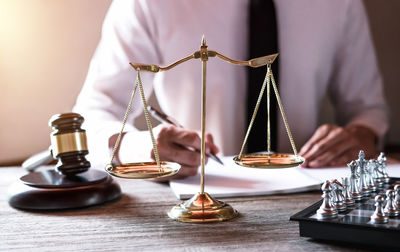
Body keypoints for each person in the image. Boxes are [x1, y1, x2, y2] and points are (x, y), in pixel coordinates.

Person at [73, 0, 388, 180]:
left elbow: (368, 109)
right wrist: (142, 150)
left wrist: (363, 134)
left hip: (305, 193)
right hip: (192, 190)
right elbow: (93, 111)